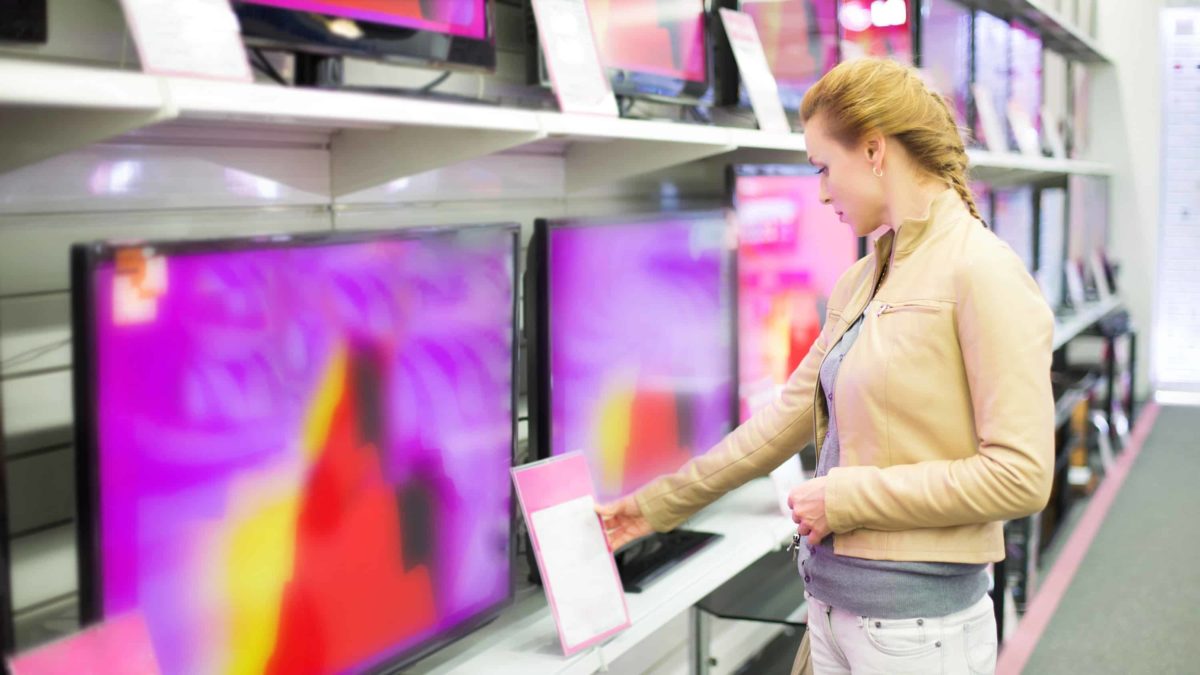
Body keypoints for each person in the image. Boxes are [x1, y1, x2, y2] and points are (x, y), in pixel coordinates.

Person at [597, 57, 1054, 675]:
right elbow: (780, 422)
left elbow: (1021, 477)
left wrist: (845, 497)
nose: (820, 191)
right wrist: (651, 508)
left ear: (873, 150)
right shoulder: (863, 280)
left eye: (823, 167)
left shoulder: (983, 271)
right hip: (833, 612)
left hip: (918, 634)